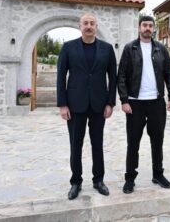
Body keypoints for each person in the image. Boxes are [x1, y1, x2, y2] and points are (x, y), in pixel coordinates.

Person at [57, 13, 117, 199]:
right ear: (79, 26)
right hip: (75, 104)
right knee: (76, 144)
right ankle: (76, 182)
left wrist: (110, 103)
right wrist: (62, 104)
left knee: (97, 144)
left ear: (96, 26)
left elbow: (113, 78)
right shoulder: (68, 47)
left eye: (92, 23)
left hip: (99, 104)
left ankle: (98, 180)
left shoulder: (107, 49)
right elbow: (60, 77)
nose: (88, 26)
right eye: (85, 23)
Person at [117, 15, 170, 194]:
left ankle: (158, 174)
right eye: (144, 25)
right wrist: (124, 100)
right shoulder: (129, 48)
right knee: (133, 143)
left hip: (156, 102)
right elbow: (121, 77)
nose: (147, 28)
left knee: (157, 140)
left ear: (153, 28)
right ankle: (130, 178)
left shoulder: (161, 49)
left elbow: (169, 74)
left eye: (150, 26)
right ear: (139, 28)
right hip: (135, 104)